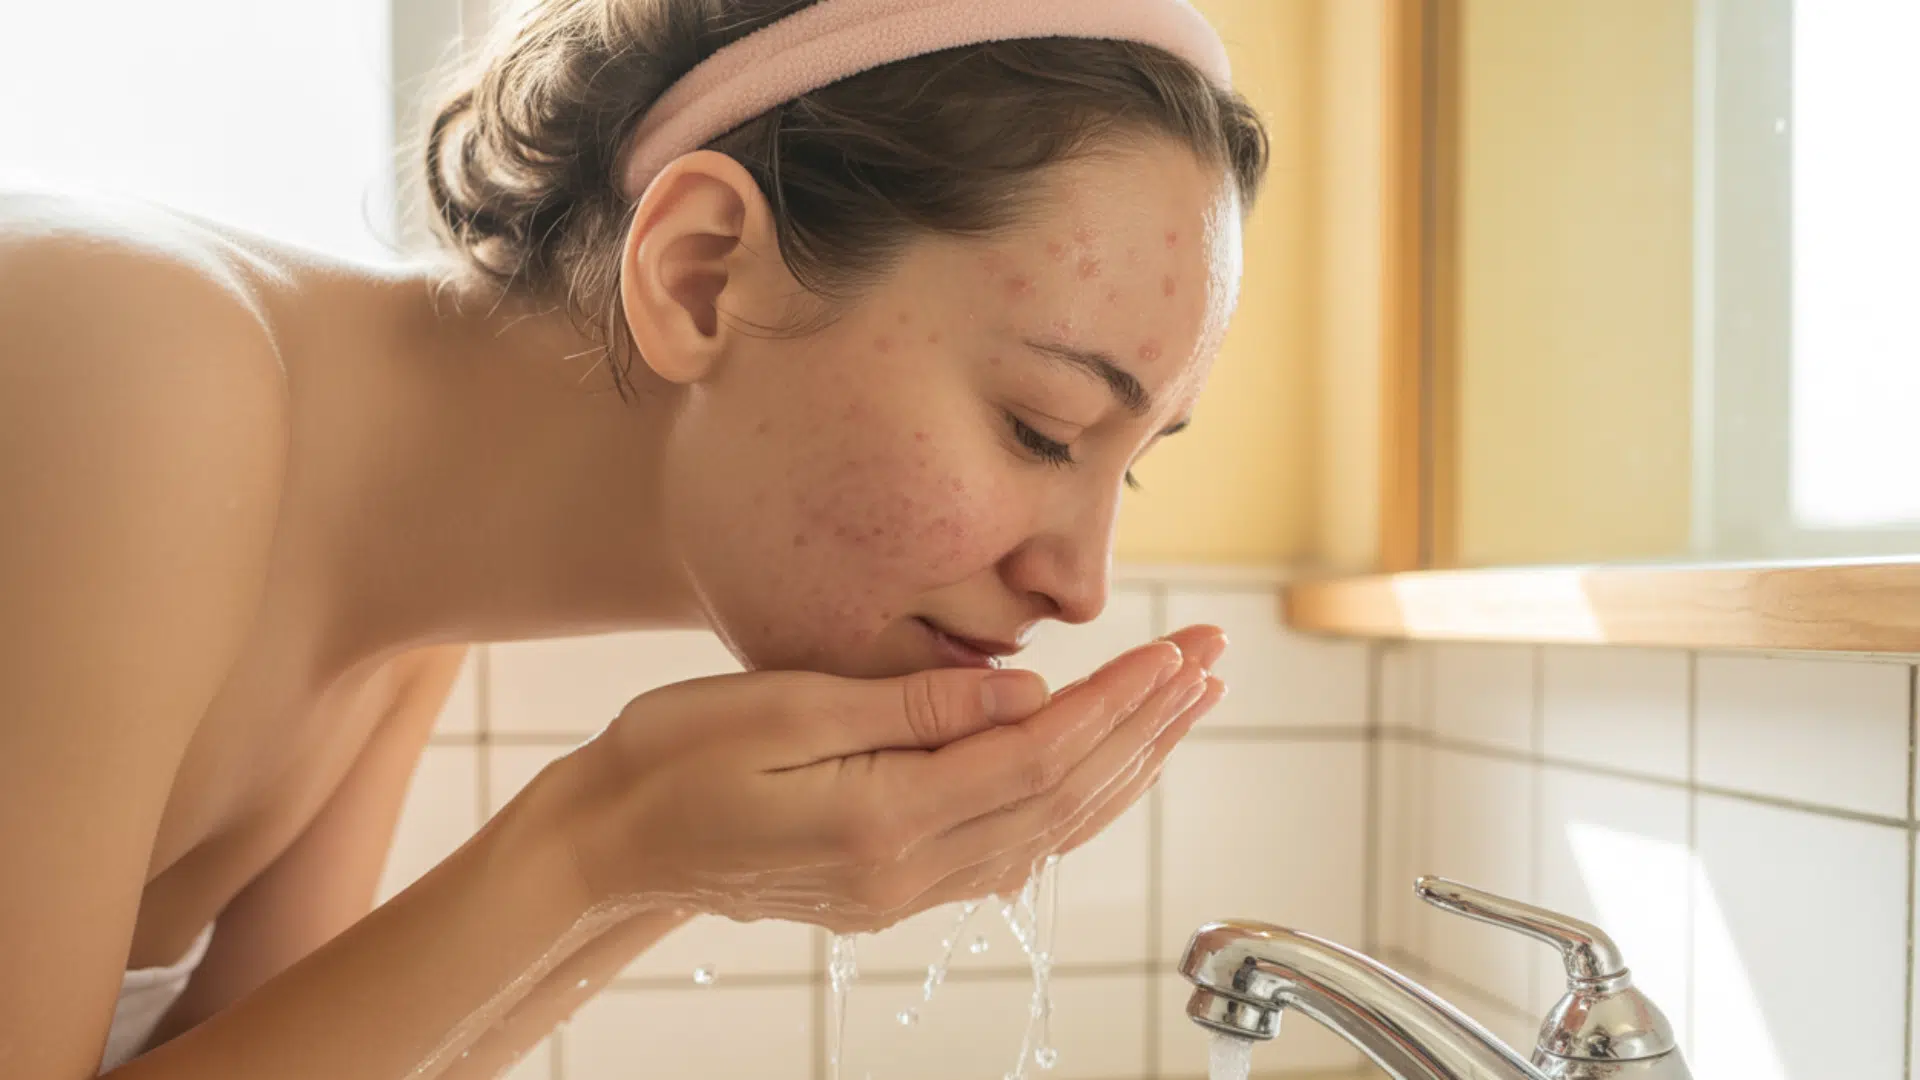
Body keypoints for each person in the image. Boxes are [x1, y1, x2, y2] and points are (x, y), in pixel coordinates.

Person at [0, 0, 1269, 1075]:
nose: (1082, 584)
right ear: (701, 273)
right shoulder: (116, 370)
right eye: (1043, 428)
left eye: (1130, 469)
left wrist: (652, 867)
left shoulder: (401, 583)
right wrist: (601, 842)